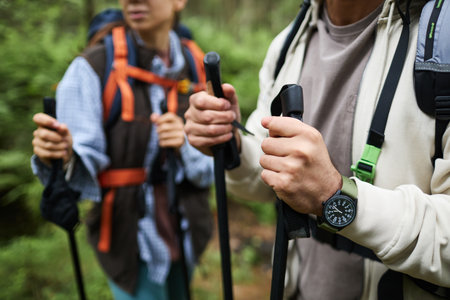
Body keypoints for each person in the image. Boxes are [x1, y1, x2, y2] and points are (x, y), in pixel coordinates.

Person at [184, 0, 450, 299]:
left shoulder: (440, 44)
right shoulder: (290, 42)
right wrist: (231, 145)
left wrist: (336, 198)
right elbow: (264, 178)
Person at [31, 0, 214, 299]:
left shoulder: (196, 65)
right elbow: (82, 155)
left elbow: (217, 168)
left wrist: (186, 144)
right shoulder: (92, 67)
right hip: (128, 239)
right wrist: (64, 155)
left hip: (188, 231)